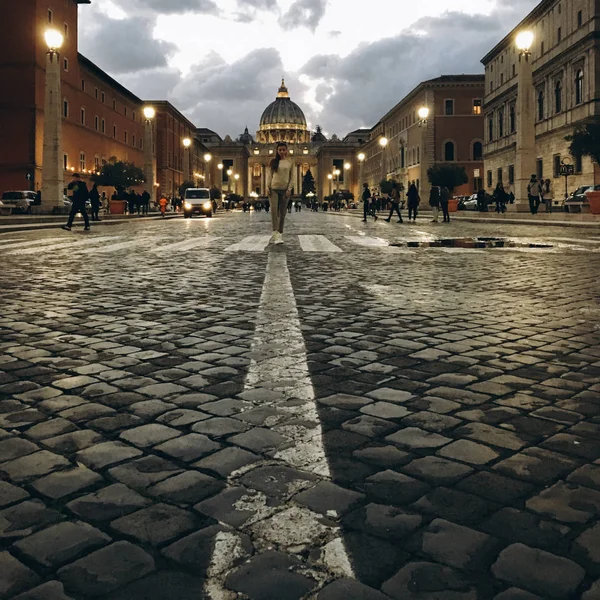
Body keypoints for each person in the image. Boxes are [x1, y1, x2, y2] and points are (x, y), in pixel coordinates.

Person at [266, 141, 294, 245]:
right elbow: (269, 175)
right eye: (280, 150)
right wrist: (267, 187)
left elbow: (292, 176)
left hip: (285, 189)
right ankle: (275, 234)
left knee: (282, 213)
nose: (282, 152)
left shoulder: (290, 162)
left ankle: (280, 233)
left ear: (286, 150)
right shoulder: (272, 161)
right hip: (273, 188)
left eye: (283, 150)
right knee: (274, 211)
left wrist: (289, 189)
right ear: (277, 151)